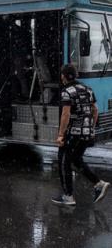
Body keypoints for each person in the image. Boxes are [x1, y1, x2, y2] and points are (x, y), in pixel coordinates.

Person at [52, 64, 110, 205]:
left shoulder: (67, 91)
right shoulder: (87, 89)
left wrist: (60, 135)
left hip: (73, 133)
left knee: (64, 160)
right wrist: (90, 127)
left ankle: (68, 196)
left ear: (63, 76)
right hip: (87, 133)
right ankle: (98, 184)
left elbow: (66, 114)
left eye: (62, 75)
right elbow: (95, 110)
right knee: (76, 160)